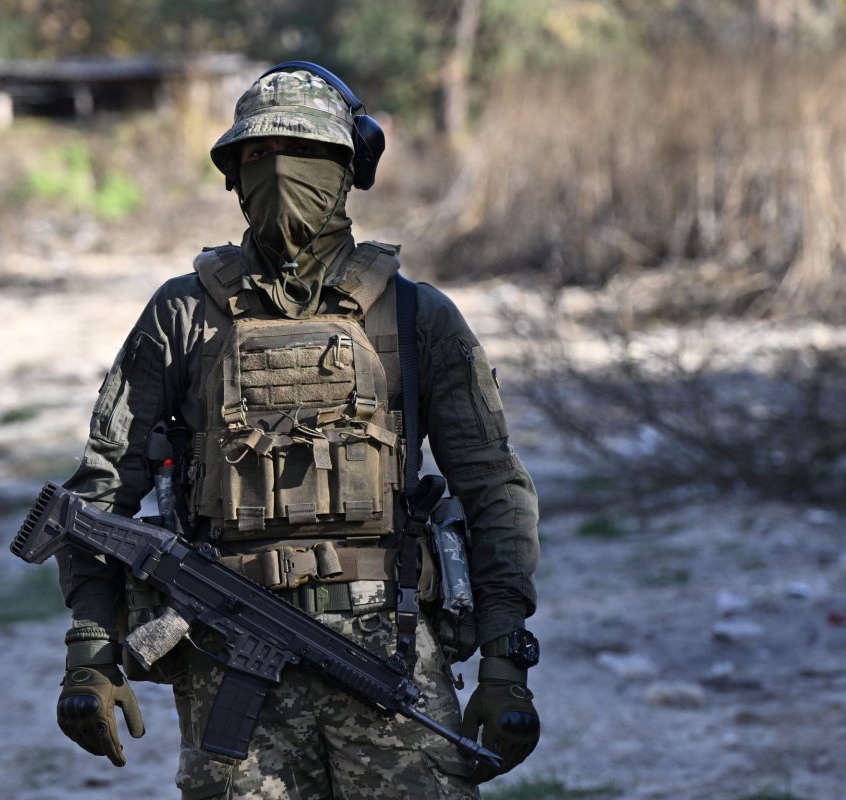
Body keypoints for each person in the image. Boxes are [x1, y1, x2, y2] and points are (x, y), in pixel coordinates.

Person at [52, 62, 542, 799]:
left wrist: (506, 665)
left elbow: (495, 490)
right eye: (257, 155)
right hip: (224, 654)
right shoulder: (182, 316)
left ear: (349, 170)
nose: (280, 171)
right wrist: (90, 651)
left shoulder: (415, 317)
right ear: (231, 174)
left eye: (307, 154)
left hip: (390, 653)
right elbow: (101, 490)